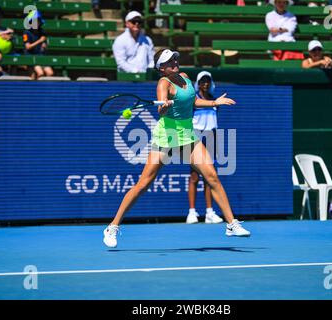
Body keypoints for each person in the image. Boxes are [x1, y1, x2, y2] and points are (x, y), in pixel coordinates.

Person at [103, 49, 251, 248]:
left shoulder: (185, 77)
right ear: (161, 68)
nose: (174, 61)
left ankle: (231, 224)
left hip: (188, 136)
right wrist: (164, 105)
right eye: (169, 61)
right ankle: (112, 227)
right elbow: (161, 110)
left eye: (174, 58)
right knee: (143, 184)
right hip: (167, 136)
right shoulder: (163, 83)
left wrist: (214, 102)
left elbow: (194, 102)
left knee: (212, 176)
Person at [186, 71, 224, 224]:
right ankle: (192, 213)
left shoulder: (215, 102)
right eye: (203, 81)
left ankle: (209, 212)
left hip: (211, 139)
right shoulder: (194, 101)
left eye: (208, 81)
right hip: (196, 139)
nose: (206, 84)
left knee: (210, 177)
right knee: (194, 177)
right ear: (198, 83)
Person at [23, 10, 54, 80]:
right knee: (40, 73)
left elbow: (44, 45)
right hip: (31, 57)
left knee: (50, 73)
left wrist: (44, 45)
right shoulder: (27, 33)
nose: (36, 23)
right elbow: (28, 47)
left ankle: (46, 88)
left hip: (41, 57)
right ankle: (38, 89)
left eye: (37, 21)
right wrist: (40, 41)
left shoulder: (42, 32)